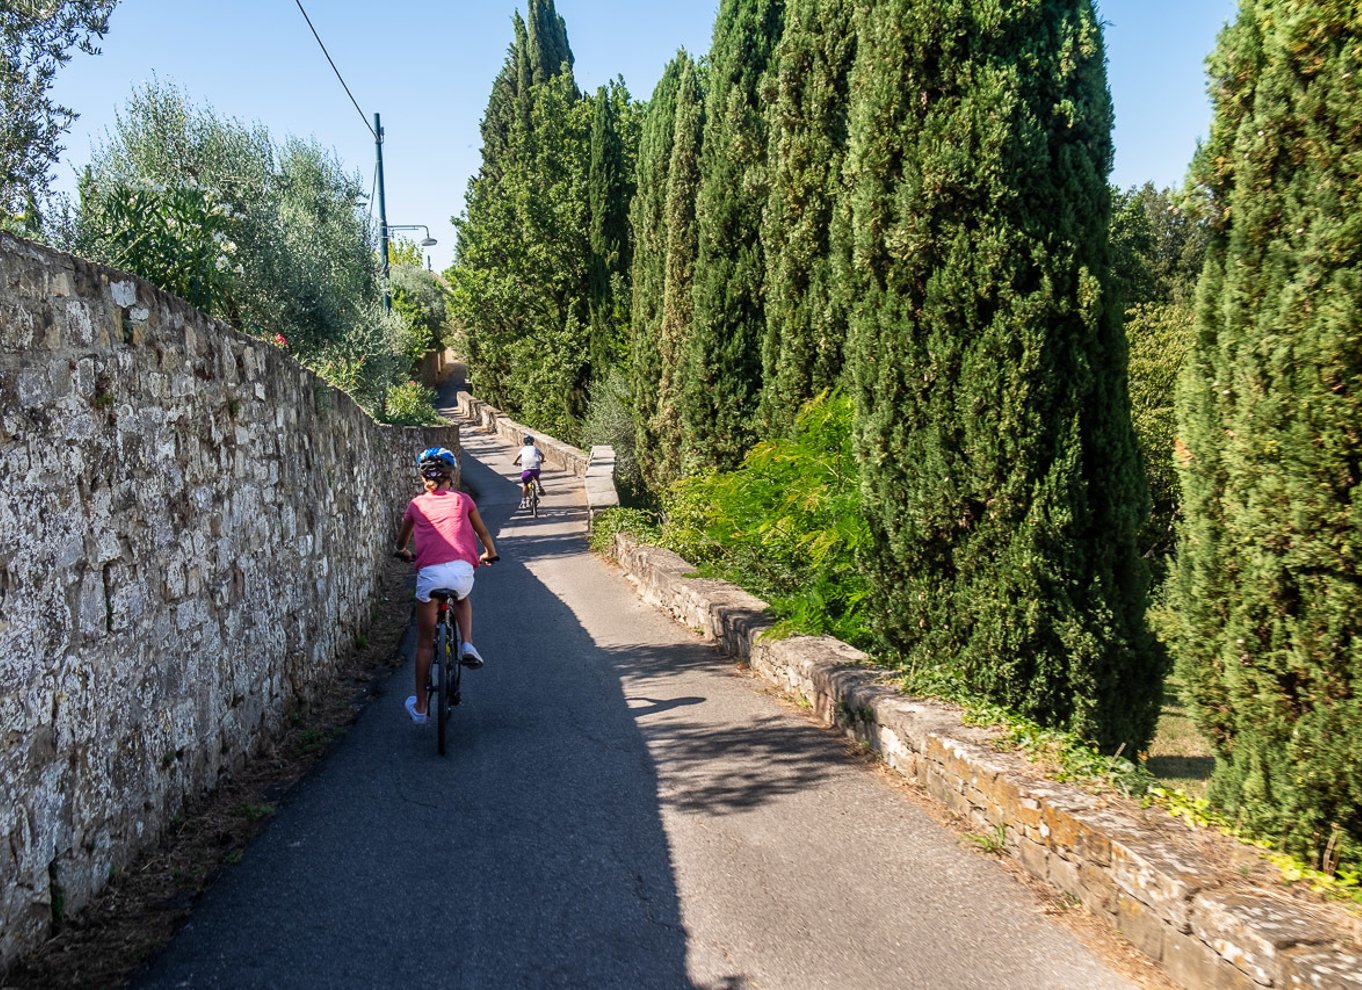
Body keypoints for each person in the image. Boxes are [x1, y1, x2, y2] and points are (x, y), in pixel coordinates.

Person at [394, 446, 498, 724]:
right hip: (462, 571)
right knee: (462, 598)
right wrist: (489, 552)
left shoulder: (416, 505)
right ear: (450, 476)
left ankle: (421, 706)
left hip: (430, 576)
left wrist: (402, 550)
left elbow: (402, 540)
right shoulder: (463, 500)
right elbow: (483, 531)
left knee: (425, 644)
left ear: (423, 477)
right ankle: (467, 643)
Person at [512, 434, 545, 509]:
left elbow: (518, 457)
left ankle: (523, 501)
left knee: (525, 484)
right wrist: (542, 461)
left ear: (524, 442)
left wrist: (515, 462)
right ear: (533, 442)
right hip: (536, 467)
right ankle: (539, 486)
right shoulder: (534, 448)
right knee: (536, 476)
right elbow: (542, 455)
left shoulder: (523, 449)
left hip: (526, 468)